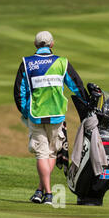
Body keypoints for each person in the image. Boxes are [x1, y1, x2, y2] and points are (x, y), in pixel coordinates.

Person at [14, 31, 88, 205]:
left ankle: (43, 192)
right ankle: (47, 193)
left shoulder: (27, 63)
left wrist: (26, 112)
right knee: (52, 152)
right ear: (52, 44)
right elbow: (76, 85)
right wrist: (86, 102)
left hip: (36, 114)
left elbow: (19, 92)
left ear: (35, 44)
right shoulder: (62, 62)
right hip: (56, 115)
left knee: (42, 153)